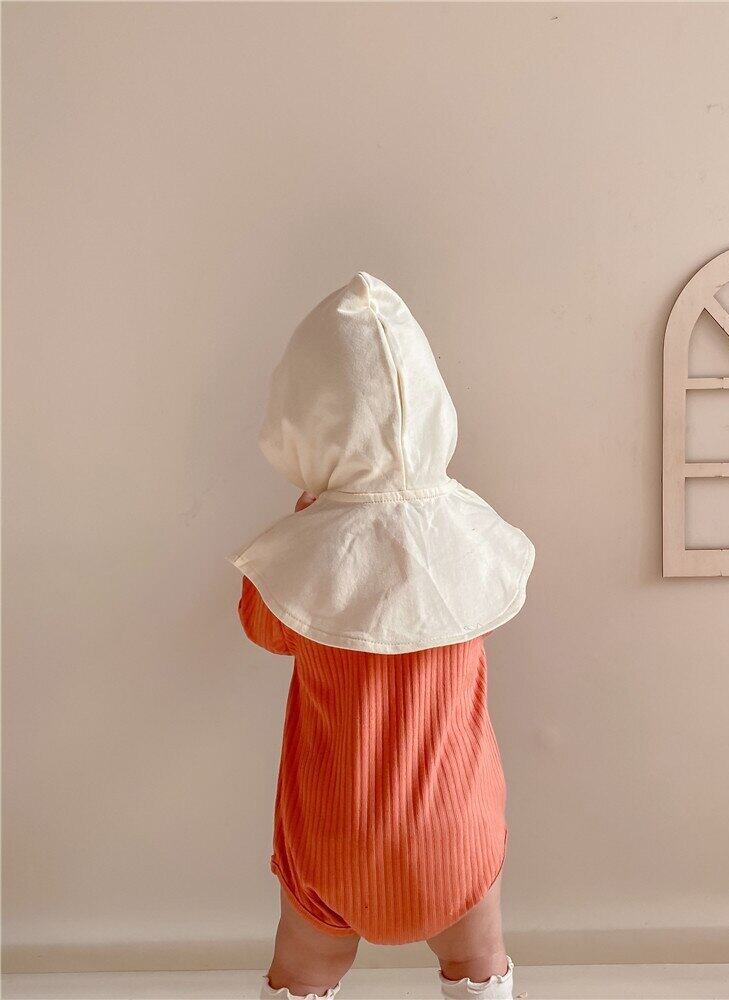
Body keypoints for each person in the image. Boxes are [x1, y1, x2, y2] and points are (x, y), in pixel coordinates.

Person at [231, 273, 534, 1000]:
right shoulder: (466, 536)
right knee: (478, 959)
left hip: (334, 834)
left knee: (303, 969)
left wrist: (306, 528)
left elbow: (264, 629)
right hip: (454, 834)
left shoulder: (306, 556)